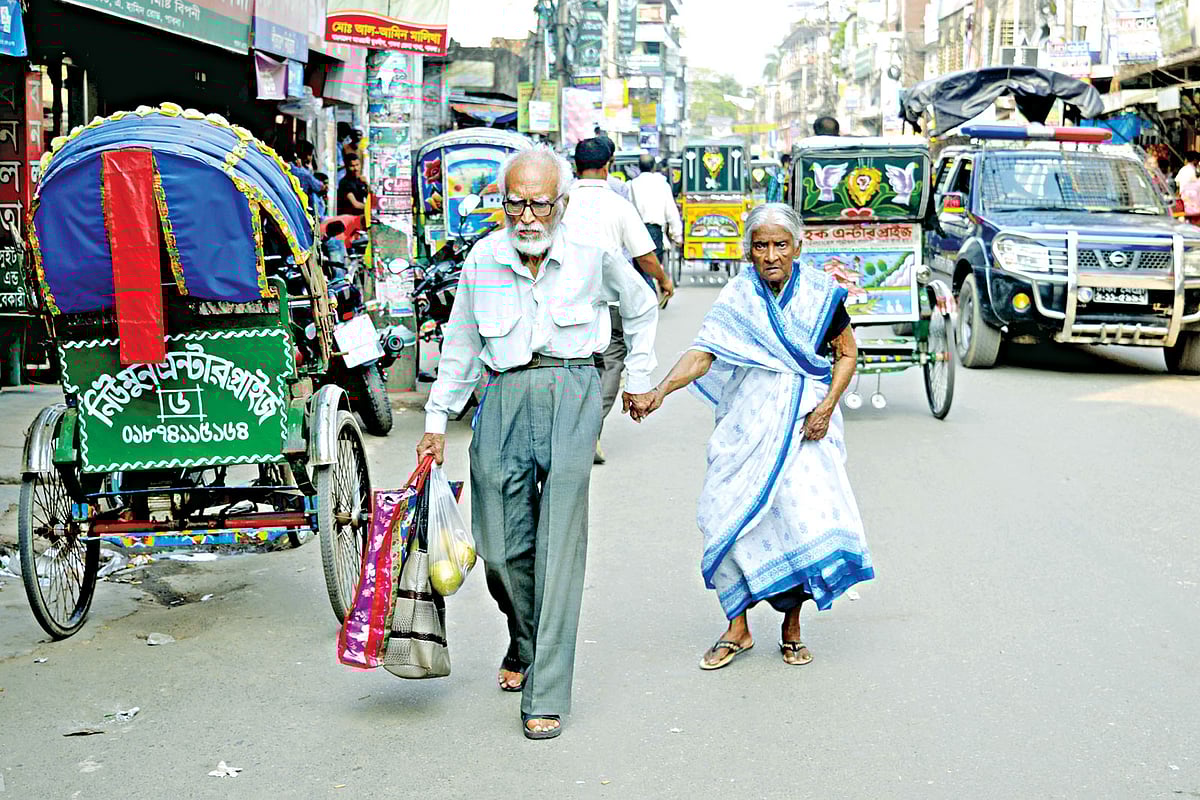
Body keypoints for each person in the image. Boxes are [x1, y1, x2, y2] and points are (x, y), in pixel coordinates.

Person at [416, 145, 660, 740]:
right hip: (500, 398)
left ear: (563, 204)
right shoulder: (483, 258)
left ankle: (545, 688)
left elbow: (642, 304)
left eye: (539, 205)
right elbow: (461, 345)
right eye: (515, 204)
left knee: (559, 548)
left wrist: (639, 374)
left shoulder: (592, 252)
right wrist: (435, 420)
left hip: (573, 390)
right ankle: (524, 637)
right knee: (499, 551)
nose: (526, 217)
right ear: (501, 205)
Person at [627, 203, 873, 670]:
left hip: (804, 426)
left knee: (796, 519)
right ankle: (737, 628)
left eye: (781, 244)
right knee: (725, 514)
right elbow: (704, 354)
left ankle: (791, 627)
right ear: (749, 252)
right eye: (761, 245)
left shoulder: (822, 296)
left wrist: (826, 407)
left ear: (798, 247)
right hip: (744, 426)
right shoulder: (738, 296)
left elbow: (845, 355)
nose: (771, 254)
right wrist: (660, 391)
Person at [563, 138, 675, 465]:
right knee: (611, 363)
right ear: (608, 165)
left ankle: (568, 428)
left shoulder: (559, 202)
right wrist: (664, 280)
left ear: (575, 165)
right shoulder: (618, 204)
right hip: (607, 302)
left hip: (563, 301)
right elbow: (645, 257)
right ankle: (589, 429)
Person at [629, 153, 683, 270]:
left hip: (637, 232)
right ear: (654, 167)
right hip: (655, 232)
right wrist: (677, 235)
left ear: (639, 167)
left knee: (641, 270)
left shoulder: (632, 185)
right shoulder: (662, 184)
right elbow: (671, 212)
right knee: (653, 269)